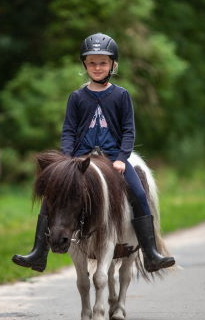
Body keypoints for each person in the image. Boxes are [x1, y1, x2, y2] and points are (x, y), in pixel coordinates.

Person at [12, 33, 175, 273]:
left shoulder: (121, 95)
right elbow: (68, 131)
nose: (97, 67)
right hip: (81, 160)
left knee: (139, 194)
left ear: (112, 65)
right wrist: (67, 159)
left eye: (103, 63)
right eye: (92, 63)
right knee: (51, 196)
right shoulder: (77, 97)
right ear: (85, 65)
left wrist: (121, 158)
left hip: (113, 158)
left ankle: (150, 253)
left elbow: (129, 131)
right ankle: (39, 252)